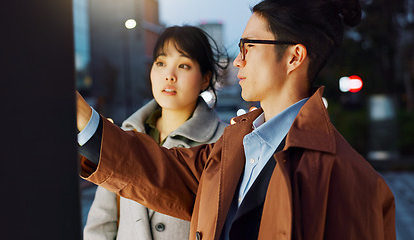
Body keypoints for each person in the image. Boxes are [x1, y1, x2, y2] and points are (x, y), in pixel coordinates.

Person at [76, 0, 396, 239]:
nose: (238, 59)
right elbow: (161, 171)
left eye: (249, 46)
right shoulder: (234, 145)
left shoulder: (355, 183)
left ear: (294, 56)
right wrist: (82, 116)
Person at [82, 26, 228, 240]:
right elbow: (101, 223)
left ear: (205, 79)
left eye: (184, 66)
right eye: (161, 63)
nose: (169, 76)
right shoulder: (126, 134)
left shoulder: (224, 142)